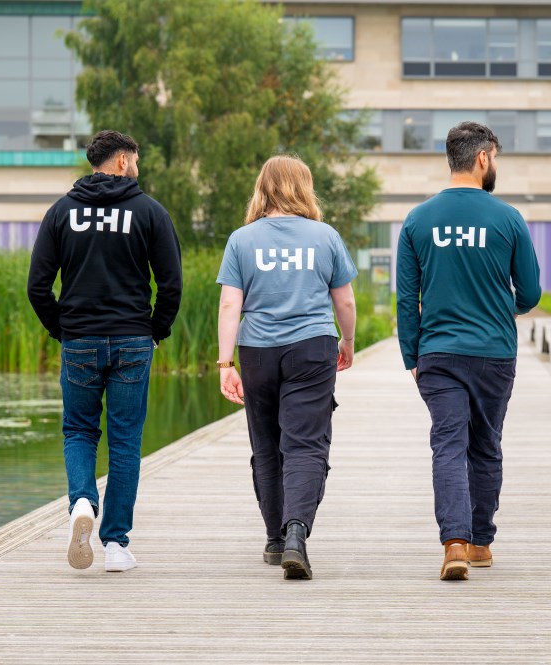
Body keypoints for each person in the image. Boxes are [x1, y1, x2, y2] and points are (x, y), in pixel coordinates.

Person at [28, 130, 182, 573]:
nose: (137, 167)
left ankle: (81, 501)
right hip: (133, 338)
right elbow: (171, 283)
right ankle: (115, 545)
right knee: (125, 440)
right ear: (120, 162)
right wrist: (156, 331)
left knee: (79, 431)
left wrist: (63, 330)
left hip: (80, 339)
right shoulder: (149, 212)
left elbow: (37, 286)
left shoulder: (62, 212)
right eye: (134, 159)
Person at [396, 122, 541, 581]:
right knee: (485, 446)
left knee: (447, 444)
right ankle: (479, 542)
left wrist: (411, 356)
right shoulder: (508, 219)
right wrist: (502, 306)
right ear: (482, 158)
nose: (495, 165)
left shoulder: (418, 220)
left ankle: (453, 543)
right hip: (494, 351)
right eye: (495, 156)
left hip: (437, 352)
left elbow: (405, 296)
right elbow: (531, 291)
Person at [215, 155, 357, 581]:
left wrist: (225, 362)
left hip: (257, 350)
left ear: (262, 188)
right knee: (306, 444)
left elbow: (228, 304)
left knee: (266, 444)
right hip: (312, 348)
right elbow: (345, 301)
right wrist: (346, 341)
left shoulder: (241, 240)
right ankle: (296, 533)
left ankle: (275, 541)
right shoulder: (324, 236)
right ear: (304, 188)